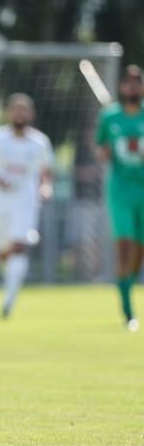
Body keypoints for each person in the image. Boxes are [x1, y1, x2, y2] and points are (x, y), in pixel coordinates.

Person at [0, 94, 53, 318]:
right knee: (4, 252)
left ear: (31, 114)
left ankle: (8, 300)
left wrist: (46, 188)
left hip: (25, 200)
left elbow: (46, 171)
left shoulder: (39, 141)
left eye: (24, 110)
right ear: (9, 113)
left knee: (19, 245)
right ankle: (10, 278)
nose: (20, 113)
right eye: (16, 109)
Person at [95, 64, 144, 332]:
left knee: (138, 254)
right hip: (121, 191)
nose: (133, 87)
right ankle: (128, 311)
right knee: (123, 248)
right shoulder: (109, 116)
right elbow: (100, 146)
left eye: (138, 82)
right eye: (129, 82)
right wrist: (103, 153)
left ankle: (128, 286)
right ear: (123, 86)